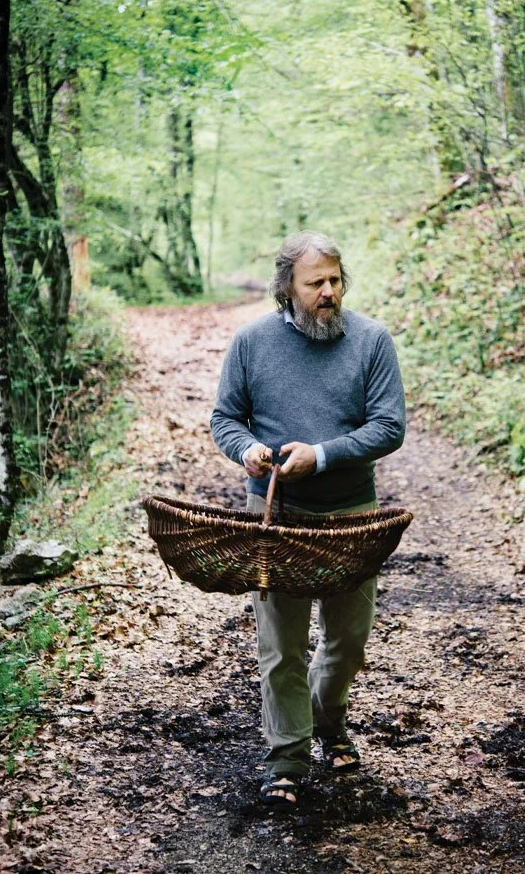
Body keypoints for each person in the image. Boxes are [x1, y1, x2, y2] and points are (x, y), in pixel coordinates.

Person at [210, 231, 405, 806]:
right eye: (314, 282)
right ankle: (287, 758)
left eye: (335, 280)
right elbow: (226, 418)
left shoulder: (371, 340)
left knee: (348, 640)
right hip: (274, 512)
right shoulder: (251, 343)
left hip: (350, 515)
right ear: (286, 287)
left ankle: (328, 719)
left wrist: (320, 455)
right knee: (282, 645)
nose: (328, 292)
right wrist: (244, 449)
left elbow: (388, 426)